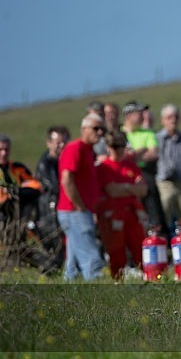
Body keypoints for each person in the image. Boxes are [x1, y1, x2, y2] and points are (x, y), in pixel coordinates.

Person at [57, 113, 106, 281]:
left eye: (102, 129)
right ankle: (98, 293)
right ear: (83, 128)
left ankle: (68, 290)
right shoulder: (75, 148)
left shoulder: (87, 150)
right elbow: (67, 180)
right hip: (74, 211)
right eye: (95, 128)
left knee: (73, 262)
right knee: (90, 257)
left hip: (78, 211)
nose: (100, 132)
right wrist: (80, 207)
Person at [96, 130, 148, 279]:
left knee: (139, 247)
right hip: (112, 215)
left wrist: (123, 188)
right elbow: (112, 191)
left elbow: (143, 189)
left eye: (121, 145)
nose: (118, 149)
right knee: (116, 251)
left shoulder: (131, 166)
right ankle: (117, 280)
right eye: (114, 146)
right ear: (108, 147)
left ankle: (148, 276)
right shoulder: (104, 167)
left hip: (132, 213)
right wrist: (131, 188)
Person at [122, 100, 167, 232]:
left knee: (151, 194)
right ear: (129, 116)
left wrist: (132, 156)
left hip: (144, 174)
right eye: (139, 113)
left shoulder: (148, 133)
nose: (143, 116)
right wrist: (141, 151)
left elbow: (153, 153)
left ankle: (157, 228)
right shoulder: (120, 134)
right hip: (125, 177)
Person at [155, 104, 181, 234]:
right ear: (163, 120)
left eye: (175, 117)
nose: (173, 120)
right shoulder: (157, 139)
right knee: (163, 214)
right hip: (164, 184)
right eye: (169, 117)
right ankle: (163, 244)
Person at [34, 125, 71, 268]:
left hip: (63, 210)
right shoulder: (45, 164)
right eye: (58, 142)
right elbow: (55, 188)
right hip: (49, 215)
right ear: (49, 143)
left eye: (64, 142)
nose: (61, 146)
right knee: (55, 256)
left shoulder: (66, 160)